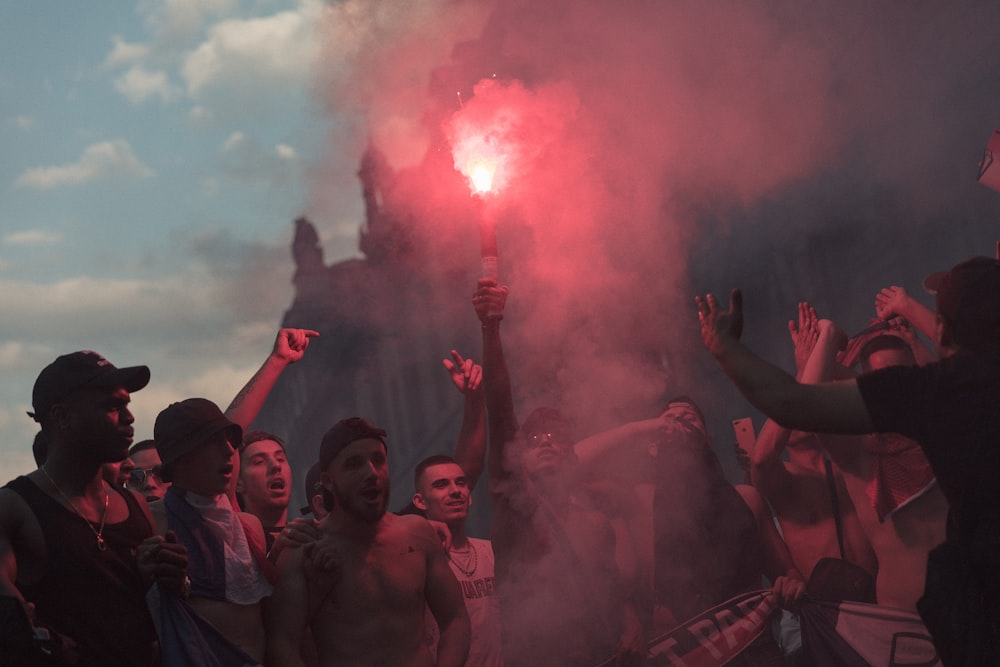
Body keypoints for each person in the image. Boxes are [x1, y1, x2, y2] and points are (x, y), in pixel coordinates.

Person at [696, 256, 1000, 664]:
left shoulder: (938, 409)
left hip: (974, 614)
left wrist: (728, 350)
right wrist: (904, 314)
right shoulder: (867, 447)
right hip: (902, 628)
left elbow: (793, 401)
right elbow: (793, 415)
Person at [474, 278, 645, 667]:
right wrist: (491, 327)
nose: (546, 442)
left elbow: (609, 589)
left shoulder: (597, 523)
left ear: (571, 456)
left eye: (556, 438)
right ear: (520, 456)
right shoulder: (516, 511)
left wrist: (631, 620)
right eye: (534, 439)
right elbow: (500, 411)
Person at [0, 351, 188, 666]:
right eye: (112, 406)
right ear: (62, 417)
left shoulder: (136, 505)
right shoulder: (14, 507)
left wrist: (172, 579)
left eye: (127, 404)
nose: (129, 417)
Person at [265, 417, 471, 667]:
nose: (371, 472)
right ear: (329, 482)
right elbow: (281, 645)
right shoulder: (304, 551)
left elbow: (455, 619)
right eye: (354, 464)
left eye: (378, 460)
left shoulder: (417, 534)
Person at [751, 303, 876, 585]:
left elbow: (874, 404)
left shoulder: (854, 464)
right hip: (825, 608)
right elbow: (761, 458)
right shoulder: (783, 480)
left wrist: (826, 363)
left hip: (877, 598)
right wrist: (806, 369)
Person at [150, 398, 275, 665]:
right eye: (211, 441)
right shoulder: (154, 523)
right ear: (180, 457)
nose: (229, 451)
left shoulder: (249, 527)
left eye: (229, 440)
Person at [412, 455, 502, 667]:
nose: (455, 491)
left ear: (469, 496)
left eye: (461, 483)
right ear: (420, 501)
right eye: (441, 485)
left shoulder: (493, 551)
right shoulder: (416, 562)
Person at [238, 430, 292, 552]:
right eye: (259, 462)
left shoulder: (309, 539)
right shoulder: (235, 544)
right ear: (238, 483)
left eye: (280, 458)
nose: (276, 465)